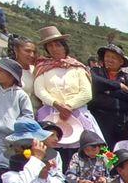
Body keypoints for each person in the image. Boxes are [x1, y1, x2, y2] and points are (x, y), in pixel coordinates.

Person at [33, 27, 103, 158]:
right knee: (50, 150)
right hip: (51, 114)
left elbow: (86, 93)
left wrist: (69, 106)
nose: (54, 49)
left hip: (76, 113)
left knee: (86, 150)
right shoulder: (42, 68)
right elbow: (39, 90)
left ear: (64, 46)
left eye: (58, 45)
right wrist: (57, 104)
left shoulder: (78, 68)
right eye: (50, 46)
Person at [1, 119, 81, 183]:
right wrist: (36, 158)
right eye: (43, 161)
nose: (50, 164)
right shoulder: (10, 177)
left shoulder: (54, 182)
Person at [89, 44, 128, 148]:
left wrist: (109, 92)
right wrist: (118, 85)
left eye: (114, 57)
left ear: (121, 62)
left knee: (122, 153)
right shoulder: (96, 72)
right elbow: (95, 83)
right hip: (99, 121)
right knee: (102, 152)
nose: (109, 60)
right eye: (107, 56)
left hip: (122, 124)